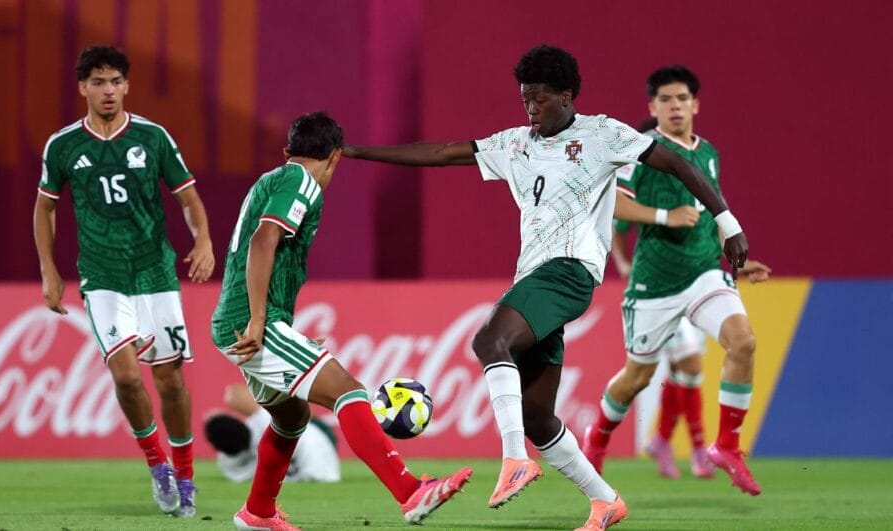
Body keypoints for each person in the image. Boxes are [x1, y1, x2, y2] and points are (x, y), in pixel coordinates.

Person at [344, 44, 748, 530]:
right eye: (525, 100)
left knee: (489, 339)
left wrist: (728, 223)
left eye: (539, 99)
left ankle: (513, 459)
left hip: (571, 270)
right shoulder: (516, 143)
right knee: (538, 416)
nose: (531, 109)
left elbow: (681, 164)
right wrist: (356, 152)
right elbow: (444, 152)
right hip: (536, 277)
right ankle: (605, 502)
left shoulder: (602, 134)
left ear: (566, 95)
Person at [211, 111, 472, 531]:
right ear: (335, 156)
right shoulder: (301, 182)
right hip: (251, 320)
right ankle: (410, 492)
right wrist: (261, 320)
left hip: (244, 318)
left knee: (292, 418)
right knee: (349, 392)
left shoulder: (272, 179)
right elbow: (263, 239)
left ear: (288, 150)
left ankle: (258, 512)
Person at [33, 45, 214, 517]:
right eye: (98, 82)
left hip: (155, 274)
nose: (108, 90)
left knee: (170, 381)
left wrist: (204, 241)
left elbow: (189, 198)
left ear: (126, 85)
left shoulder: (153, 137)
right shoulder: (64, 145)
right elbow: (45, 207)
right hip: (103, 277)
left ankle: (186, 473)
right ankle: (158, 467)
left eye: (115, 81)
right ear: (83, 88)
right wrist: (49, 270)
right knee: (126, 375)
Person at [583, 65, 770, 496]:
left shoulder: (709, 153)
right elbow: (614, 207)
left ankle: (726, 445)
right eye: (665, 99)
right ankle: (598, 438)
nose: (675, 106)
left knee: (743, 342)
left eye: (682, 98)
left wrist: (738, 261)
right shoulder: (642, 151)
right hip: (655, 284)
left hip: (705, 272)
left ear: (695, 105)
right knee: (637, 378)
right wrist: (665, 216)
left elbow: (712, 215)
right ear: (652, 107)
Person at [610, 117, 715, 480]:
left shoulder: (693, 174)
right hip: (659, 286)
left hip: (697, 278)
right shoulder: (640, 178)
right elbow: (618, 224)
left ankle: (662, 440)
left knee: (684, 371)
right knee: (689, 366)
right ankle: (699, 449)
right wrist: (623, 263)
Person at [204, 383, 341, 483]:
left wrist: (217, 425)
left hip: (314, 471)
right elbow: (234, 394)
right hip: (319, 439)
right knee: (294, 411)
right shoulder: (263, 421)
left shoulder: (231, 468)